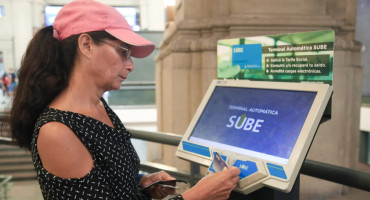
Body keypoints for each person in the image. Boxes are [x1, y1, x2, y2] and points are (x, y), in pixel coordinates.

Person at [8, 0, 240, 199]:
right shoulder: (57, 131)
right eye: (123, 52)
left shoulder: (98, 106)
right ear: (87, 45)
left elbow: (105, 184)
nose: (130, 65)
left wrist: (142, 184)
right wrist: (196, 196)